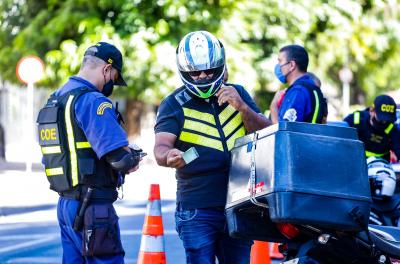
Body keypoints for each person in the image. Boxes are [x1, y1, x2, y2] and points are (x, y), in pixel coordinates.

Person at [153, 31, 270, 263]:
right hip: (197, 207)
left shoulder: (238, 93)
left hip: (239, 204)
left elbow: (266, 133)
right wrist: (169, 156)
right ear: (185, 73)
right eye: (195, 73)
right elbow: (161, 147)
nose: (204, 76)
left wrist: (243, 107)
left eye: (210, 71)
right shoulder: (174, 104)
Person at [37, 42, 143, 264]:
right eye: (114, 78)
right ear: (106, 70)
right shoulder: (93, 101)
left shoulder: (56, 99)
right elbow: (120, 159)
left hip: (66, 205)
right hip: (93, 208)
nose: (112, 83)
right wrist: (133, 156)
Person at [273, 45, 326, 123]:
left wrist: (273, 105)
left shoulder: (298, 92)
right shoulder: (312, 87)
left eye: (280, 61)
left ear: (291, 65)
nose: (278, 66)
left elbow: (284, 130)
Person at [344, 94, 400, 162]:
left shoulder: (392, 129)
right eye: (381, 119)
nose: (384, 122)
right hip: (354, 162)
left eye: (388, 120)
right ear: (371, 111)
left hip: (380, 167)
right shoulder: (355, 119)